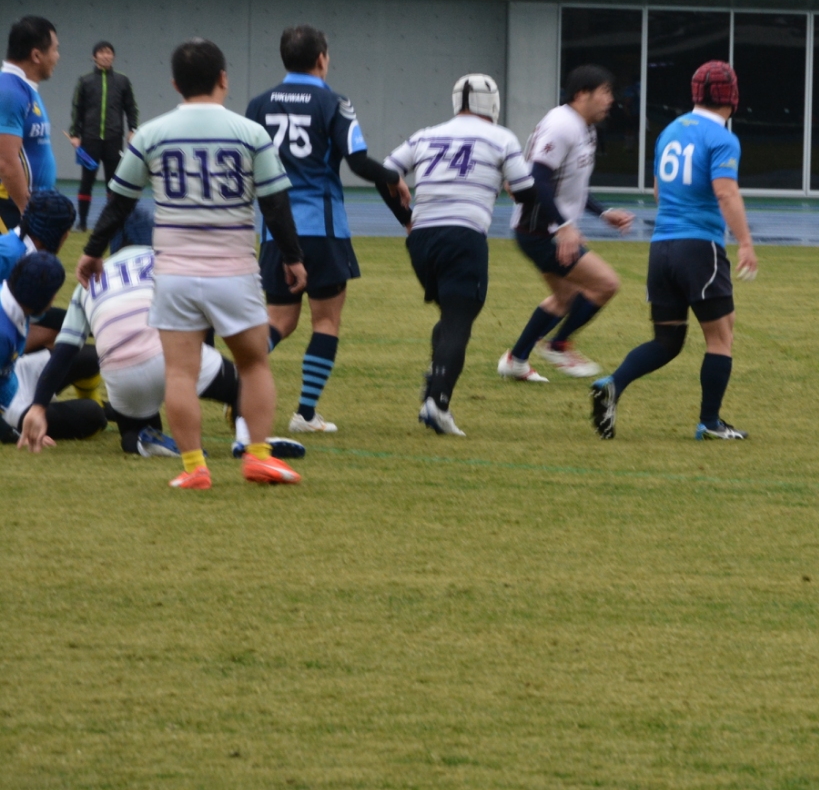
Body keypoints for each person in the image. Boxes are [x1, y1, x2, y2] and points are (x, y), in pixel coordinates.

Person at [76, 37, 307, 489]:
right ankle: (258, 457)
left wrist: (92, 250)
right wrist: (293, 258)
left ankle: (194, 467)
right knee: (254, 365)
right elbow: (276, 205)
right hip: (233, 269)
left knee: (180, 372)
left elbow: (120, 202)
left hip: (174, 273)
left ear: (175, 84)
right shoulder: (250, 133)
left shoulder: (150, 134)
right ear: (223, 78)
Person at [248, 25, 413, 437]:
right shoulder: (334, 102)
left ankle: (236, 382)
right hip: (322, 228)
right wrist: (393, 177)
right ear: (322, 58)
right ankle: (305, 414)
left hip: (275, 231)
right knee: (325, 322)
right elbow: (357, 162)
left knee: (280, 319)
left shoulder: (258, 104)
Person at [591, 61, 756, 442]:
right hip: (699, 247)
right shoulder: (722, 137)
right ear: (731, 95)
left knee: (667, 341)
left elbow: (658, 192)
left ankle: (612, 383)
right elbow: (725, 192)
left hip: (661, 247)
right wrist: (746, 242)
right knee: (721, 338)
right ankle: (710, 422)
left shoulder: (670, 130)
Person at [16, 210, 259, 459]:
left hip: (121, 373)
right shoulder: (171, 262)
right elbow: (205, 313)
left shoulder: (88, 278)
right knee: (244, 385)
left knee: (133, 431)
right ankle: (246, 441)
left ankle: (142, 441)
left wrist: (39, 406)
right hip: (171, 356)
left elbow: (64, 351)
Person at [384, 73, 537, 437]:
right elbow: (527, 191)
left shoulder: (425, 134)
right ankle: (437, 402)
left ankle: (434, 384)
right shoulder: (501, 137)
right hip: (463, 234)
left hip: (422, 239)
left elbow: (384, 173)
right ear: (492, 102)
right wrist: (511, 188)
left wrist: (406, 219)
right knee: (458, 320)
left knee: (450, 316)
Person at [499, 65, 635, 382]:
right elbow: (539, 179)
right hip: (540, 231)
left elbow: (570, 186)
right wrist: (563, 226)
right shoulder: (562, 125)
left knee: (565, 298)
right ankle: (558, 345)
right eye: (605, 92)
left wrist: (602, 212)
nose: (611, 100)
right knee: (605, 284)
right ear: (582, 94)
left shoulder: (585, 128)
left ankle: (516, 360)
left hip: (544, 229)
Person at [0, 254, 98, 450]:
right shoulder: (3, 334)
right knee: (93, 415)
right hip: (7, 407)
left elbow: (56, 319)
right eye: (53, 294)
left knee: (93, 356)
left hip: (13, 376)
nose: (54, 300)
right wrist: (13, 434)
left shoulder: (14, 299)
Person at [68, 40, 139, 230]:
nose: (106, 56)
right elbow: (77, 109)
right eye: (102, 52)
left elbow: (131, 108)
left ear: (113, 56)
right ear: (94, 56)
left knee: (113, 183)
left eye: (109, 52)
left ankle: (112, 222)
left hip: (113, 139)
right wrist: (75, 133)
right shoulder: (85, 80)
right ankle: (82, 223)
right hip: (90, 139)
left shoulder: (122, 81)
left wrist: (133, 129)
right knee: (87, 181)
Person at [0, 16, 61, 233]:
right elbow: (5, 161)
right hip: (9, 209)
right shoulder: (10, 91)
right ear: (36, 55)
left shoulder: (24, 88)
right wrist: (28, 214)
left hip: (27, 205)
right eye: (55, 50)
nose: (57, 57)